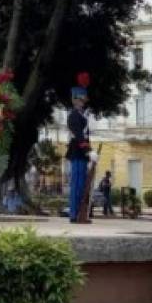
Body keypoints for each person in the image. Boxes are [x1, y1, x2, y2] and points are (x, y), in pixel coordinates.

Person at [65, 86, 91, 223]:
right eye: (81, 100)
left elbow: (85, 136)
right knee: (76, 185)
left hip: (82, 154)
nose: (83, 102)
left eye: (83, 100)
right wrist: (88, 151)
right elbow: (79, 136)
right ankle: (74, 214)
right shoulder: (73, 115)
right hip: (76, 152)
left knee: (82, 185)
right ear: (75, 100)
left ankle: (81, 213)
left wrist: (89, 153)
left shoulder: (82, 115)